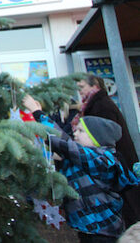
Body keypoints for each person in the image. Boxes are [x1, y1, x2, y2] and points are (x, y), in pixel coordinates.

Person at [23, 95, 139, 242]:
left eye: (81, 131)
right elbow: (66, 152)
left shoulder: (103, 160)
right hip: (87, 229)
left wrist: (37, 113)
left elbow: (66, 144)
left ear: (97, 139)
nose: (75, 134)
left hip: (103, 232)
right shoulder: (83, 159)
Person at [73, 74, 140, 227]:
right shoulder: (93, 105)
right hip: (117, 162)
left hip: (118, 162)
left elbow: (107, 137)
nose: (80, 92)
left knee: (127, 204)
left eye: (82, 87)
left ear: (94, 85)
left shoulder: (101, 106)